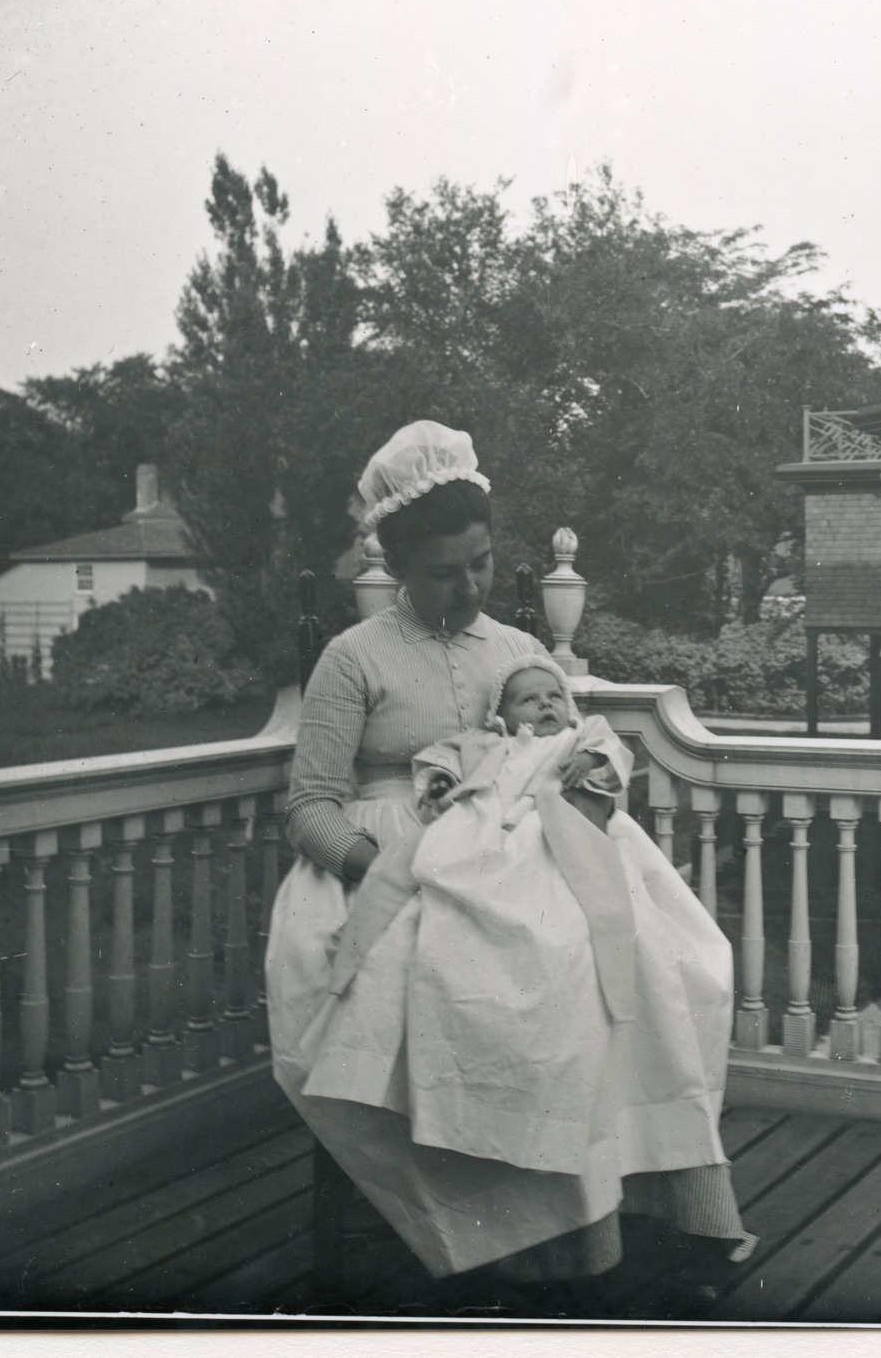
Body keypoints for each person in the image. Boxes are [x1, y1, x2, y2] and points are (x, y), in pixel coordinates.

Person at [265, 421, 750, 1297]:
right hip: (390, 850)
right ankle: (509, 1226)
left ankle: (612, 1204)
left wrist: (590, 798)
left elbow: (576, 750)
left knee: (643, 951)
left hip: (529, 837)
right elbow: (307, 805)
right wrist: (374, 860)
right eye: (443, 571)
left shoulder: (518, 652)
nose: (468, 585)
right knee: (474, 972)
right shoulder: (353, 658)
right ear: (399, 565)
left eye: (481, 562)